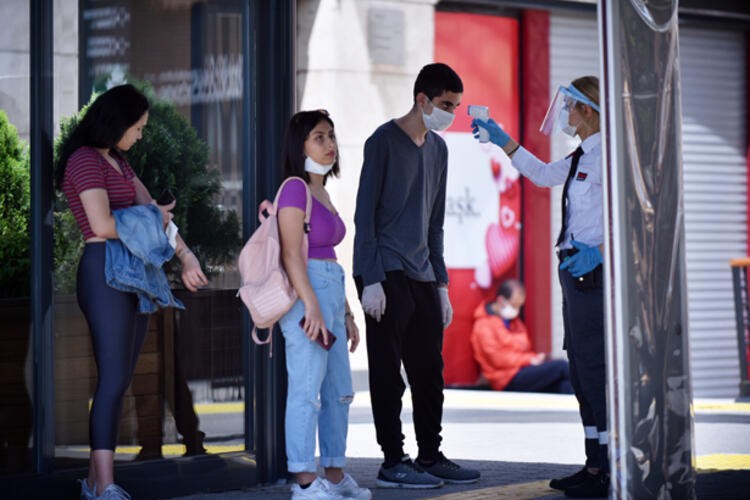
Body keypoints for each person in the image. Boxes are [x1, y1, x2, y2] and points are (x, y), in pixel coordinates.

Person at [56, 84, 209, 500]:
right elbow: (103, 225)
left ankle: (93, 482)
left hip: (135, 275)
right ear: (117, 122)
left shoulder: (119, 163)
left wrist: (188, 257)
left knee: (121, 378)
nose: (140, 135)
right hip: (104, 271)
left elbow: (159, 220)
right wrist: (150, 215)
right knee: (111, 380)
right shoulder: (84, 161)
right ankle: (104, 486)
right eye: (137, 127)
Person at [472, 75, 608, 498]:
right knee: (582, 371)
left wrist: (603, 252)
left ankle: (605, 468)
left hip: (593, 274)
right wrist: (503, 141)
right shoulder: (581, 156)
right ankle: (593, 462)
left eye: (570, 107)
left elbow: (628, 216)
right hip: (573, 272)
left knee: (592, 369)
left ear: (588, 110)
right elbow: (544, 175)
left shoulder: (609, 158)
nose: (565, 114)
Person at [353, 62, 481, 489]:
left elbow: (436, 223)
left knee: (429, 372)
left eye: (457, 106)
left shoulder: (439, 149)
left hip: (423, 272)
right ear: (422, 99)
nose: (452, 113)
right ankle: (393, 461)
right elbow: (364, 216)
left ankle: (430, 455)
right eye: (446, 104)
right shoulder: (382, 142)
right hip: (384, 270)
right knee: (388, 373)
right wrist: (370, 278)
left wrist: (442, 283)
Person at [276, 110, 371, 500]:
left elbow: (330, 257)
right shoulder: (295, 188)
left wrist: (345, 313)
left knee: (338, 391)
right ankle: (302, 481)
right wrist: (313, 306)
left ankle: (333, 475)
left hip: (329, 292)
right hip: (306, 296)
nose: (330, 144)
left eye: (331, 136)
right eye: (319, 137)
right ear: (299, 146)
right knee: (306, 391)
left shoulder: (322, 192)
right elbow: (291, 254)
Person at [471, 279, 573, 394]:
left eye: (519, 306)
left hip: (523, 370)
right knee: (561, 367)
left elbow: (524, 348)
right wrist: (530, 360)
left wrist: (537, 359)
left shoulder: (514, 322)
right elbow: (498, 359)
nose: (516, 310)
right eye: (514, 305)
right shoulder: (483, 325)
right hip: (506, 379)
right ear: (501, 300)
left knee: (564, 386)